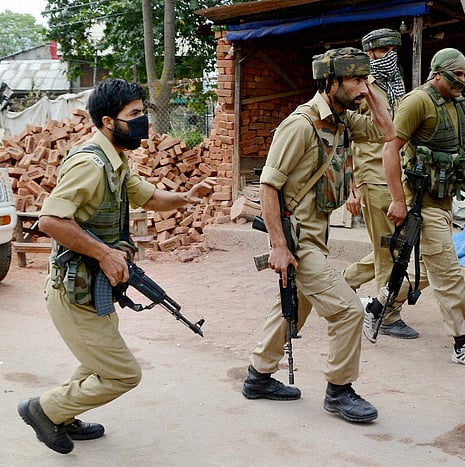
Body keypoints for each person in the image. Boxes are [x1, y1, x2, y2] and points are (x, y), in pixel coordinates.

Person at [17, 78, 217, 454]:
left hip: (93, 288)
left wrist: (187, 197)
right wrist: (106, 254)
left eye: (143, 112)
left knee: (99, 358)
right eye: (135, 114)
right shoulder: (91, 165)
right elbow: (51, 220)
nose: (143, 121)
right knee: (123, 373)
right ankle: (45, 410)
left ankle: (64, 413)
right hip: (73, 291)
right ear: (109, 121)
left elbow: (148, 197)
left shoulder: (115, 161)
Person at [241, 47, 396, 423]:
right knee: (348, 311)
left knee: (294, 306)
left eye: (365, 79)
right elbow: (268, 186)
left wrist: (369, 91)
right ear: (331, 82)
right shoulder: (300, 125)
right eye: (355, 79)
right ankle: (339, 390)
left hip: (316, 237)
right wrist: (279, 246)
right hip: (298, 240)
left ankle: (258, 376)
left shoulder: (343, 121)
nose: (363, 87)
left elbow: (388, 131)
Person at [364, 47, 465, 371]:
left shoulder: (457, 103)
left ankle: (375, 308)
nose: (463, 80)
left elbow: (457, 149)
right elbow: (390, 149)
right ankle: (461, 343)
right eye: (457, 74)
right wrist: (398, 200)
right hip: (421, 204)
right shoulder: (417, 102)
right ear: (437, 73)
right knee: (449, 274)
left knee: (424, 273)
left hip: (445, 200)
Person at [342, 28, 419, 340]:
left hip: (397, 176)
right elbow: (347, 138)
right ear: (370, 53)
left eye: (393, 49)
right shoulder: (362, 88)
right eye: (383, 50)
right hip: (372, 176)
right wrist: (353, 188)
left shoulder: (395, 84)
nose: (390, 55)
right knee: (388, 250)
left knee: (391, 246)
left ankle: (343, 283)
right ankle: (387, 315)